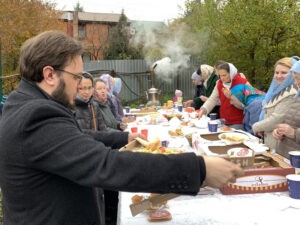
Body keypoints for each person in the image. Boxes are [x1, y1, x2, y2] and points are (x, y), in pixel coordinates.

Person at [0, 30, 244, 225]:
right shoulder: (36, 116)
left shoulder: (26, 105)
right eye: (76, 77)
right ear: (50, 74)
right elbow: (105, 165)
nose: (79, 85)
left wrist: (123, 137)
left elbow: (75, 139)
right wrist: (198, 170)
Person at [252, 57, 298, 149]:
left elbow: (277, 119)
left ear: (293, 73)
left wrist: (256, 127)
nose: (279, 76)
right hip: (269, 138)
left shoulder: (292, 93)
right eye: (276, 72)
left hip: (278, 143)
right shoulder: (277, 91)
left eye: (284, 73)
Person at [197, 62, 250, 130]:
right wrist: (203, 110)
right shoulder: (219, 83)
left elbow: (249, 104)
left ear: (231, 73)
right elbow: (212, 99)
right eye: (220, 75)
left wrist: (232, 97)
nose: (222, 78)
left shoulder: (243, 83)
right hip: (224, 120)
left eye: (224, 75)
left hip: (238, 122)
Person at [272, 60, 300, 158]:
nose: (296, 83)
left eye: (298, 79)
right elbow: (289, 121)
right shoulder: (297, 97)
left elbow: (293, 130)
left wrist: (294, 133)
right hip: (284, 155)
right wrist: (278, 131)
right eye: (295, 78)